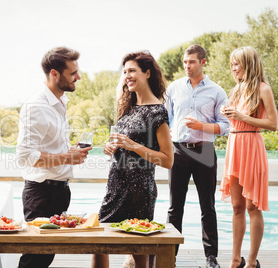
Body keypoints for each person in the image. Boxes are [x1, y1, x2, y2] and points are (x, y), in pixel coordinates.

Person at [92, 51, 174, 268]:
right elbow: (121, 144)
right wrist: (111, 147)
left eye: (132, 71)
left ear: (147, 73)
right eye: (125, 71)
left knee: (139, 252)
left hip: (139, 191)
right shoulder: (127, 108)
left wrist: (132, 145)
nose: (127, 75)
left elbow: (167, 160)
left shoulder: (158, 112)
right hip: (115, 186)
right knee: (99, 243)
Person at [16, 46, 92, 268]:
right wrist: (67, 158)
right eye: (73, 73)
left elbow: (50, 145)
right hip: (41, 194)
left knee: (45, 257)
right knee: (34, 259)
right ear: (54, 74)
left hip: (58, 191)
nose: (78, 77)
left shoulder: (60, 102)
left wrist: (70, 151)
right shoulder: (36, 106)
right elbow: (25, 156)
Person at [165, 44, 230, 268]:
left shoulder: (217, 91)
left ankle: (211, 258)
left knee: (208, 207)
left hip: (205, 151)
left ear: (203, 63)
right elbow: (166, 119)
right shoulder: (173, 89)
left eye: (191, 62)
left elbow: (225, 126)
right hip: (178, 151)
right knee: (175, 207)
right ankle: (169, 256)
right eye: (185, 62)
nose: (187, 66)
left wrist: (203, 126)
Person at [220, 46, 277, 268]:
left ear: (250, 64)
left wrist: (242, 116)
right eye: (232, 64)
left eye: (237, 64)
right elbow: (234, 121)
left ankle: (252, 261)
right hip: (234, 147)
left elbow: (273, 124)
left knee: (253, 207)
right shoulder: (235, 90)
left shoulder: (264, 89)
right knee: (236, 207)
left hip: (252, 146)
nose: (234, 68)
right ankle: (235, 260)